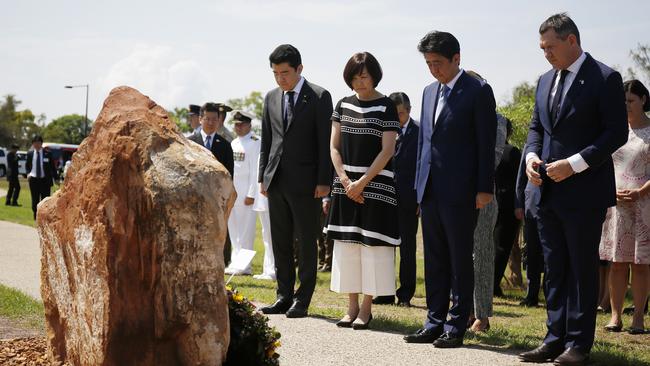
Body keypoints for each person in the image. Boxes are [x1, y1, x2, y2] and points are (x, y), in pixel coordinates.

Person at [518, 14, 628, 365]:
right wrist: (531, 157)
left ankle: (578, 345)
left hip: (583, 192)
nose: (546, 54)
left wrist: (575, 164)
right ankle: (555, 338)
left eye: (550, 46)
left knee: (581, 269)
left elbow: (616, 133)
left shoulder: (605, 78)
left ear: (571, 41)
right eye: (542, 48)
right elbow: (537, 128)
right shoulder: (544, 80)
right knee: (555, 267)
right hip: (546, 191)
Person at [404, 31, 497, 348]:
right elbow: (423, 145)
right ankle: (433, 321)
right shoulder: (429, 91)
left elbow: (485, 144)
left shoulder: (478, 91)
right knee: (434, 259)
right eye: (428, 64)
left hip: (462, 190)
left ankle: (456, 326)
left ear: (457, 58)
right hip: (429, 190)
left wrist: (484, 188)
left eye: (439, 63)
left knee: (460, 259)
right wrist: (418, 188)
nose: (433, 70)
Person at [326, 51, 400, 330]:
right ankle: (351, 306)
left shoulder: (386, 106)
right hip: (345, 187)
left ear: (374, 76)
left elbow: (388, 150)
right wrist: (346, 181)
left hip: (376, 186)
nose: (360, 82)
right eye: (355, 78)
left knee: (372, 247)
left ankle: (367, 309)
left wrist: (363, 182)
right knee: (348, 247)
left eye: (364, 76)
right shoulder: (342, 104)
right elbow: (334, 147)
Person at [258, 44, 333, 318]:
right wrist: (262, 177)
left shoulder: (319, 96)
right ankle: (283, 295)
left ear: (299, 69)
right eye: (276, 73)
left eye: (285, 72)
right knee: (280, 242)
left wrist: (325, 181)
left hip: (308, 183)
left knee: (306, 241)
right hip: (275, 180)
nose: (281, 78)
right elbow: (267, 140)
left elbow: (326, 141)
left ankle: (303, 299)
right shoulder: (270, 98)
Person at [599, 79, 650, 335]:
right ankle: (615, 316)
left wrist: (642, 191)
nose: (626, 106)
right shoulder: (615, 130)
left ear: (643, 99)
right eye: (623, 102)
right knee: (617, 262)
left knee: (641, 264)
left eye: (630, 100)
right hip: (616, 204)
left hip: (644, 205)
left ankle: (638, 317)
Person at [466, 70, 507, 333]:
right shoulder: (453, 118)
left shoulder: (497, 121)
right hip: (453, 196)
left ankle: (482, 315)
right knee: (459, 256)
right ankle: (463, 310)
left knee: (481, 255)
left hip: (482, 195)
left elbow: (492, 158)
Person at [373, 92, 419, 307]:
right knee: (383, 246)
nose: (397, 118)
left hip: (409, 199)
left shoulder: (421, 133)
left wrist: (420, 198)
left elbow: (424, 167)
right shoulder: (383, 131)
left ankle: (405, 294)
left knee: (407, 248)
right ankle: (384, 292)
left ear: (408, 111)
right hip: (385, 197)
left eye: (400, 113)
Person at [188, 102, 235, 266]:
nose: (210, 122)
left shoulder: (225, 145)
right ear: (200, 119)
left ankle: (221, 262)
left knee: (217, 231)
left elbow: (229, 175)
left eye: (214, 119)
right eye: (207, 119)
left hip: (217, 199)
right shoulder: (190, 142)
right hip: (194, 197)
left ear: (219, 120)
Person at [226, 110, 260, 275]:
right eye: (236, 125)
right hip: (234, 194)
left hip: (247, 194)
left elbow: (255, 171)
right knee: (234, 230)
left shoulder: (255, 143)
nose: (238, 127)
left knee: (246, 232)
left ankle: (245, 266)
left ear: (249, 125)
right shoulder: (233, 143)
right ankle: (236, 262)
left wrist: (252, 194)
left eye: (242, 124)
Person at [493, 119, 522, 298]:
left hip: (488, 204)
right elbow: (518, 183)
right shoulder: (512, 152)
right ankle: (493, 284)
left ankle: (490, 284)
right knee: (502, 247)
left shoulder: (485, 150)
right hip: (507, 207)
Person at [515, 144, 545, 307]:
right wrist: (518, 204)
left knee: (550, 254)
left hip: (552, 206)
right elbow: (521, 177)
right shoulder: (531, 147)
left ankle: (550, 293)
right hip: (531, 206)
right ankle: (531, 295)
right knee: (532, 253)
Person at [26, 135, 59, 219]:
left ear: (41, 144)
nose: (37, 145)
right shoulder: (30, 154)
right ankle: (35, 216)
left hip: (45, 180)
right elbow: (27, 166)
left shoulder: (47, 154)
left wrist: (56, 178)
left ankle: (44, 217)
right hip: (33, 180)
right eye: (35, 143)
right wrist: (28, 173)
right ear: (32, 144)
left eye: (38, 143)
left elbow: (52, 167)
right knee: (35, 199)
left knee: (45, 199)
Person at [318, 195, 333, 272]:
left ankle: (328, 264)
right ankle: (321, 262)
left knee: (326, 236)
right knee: (319, 235)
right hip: (316, 200)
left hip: (326, 199)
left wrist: (326, 199)